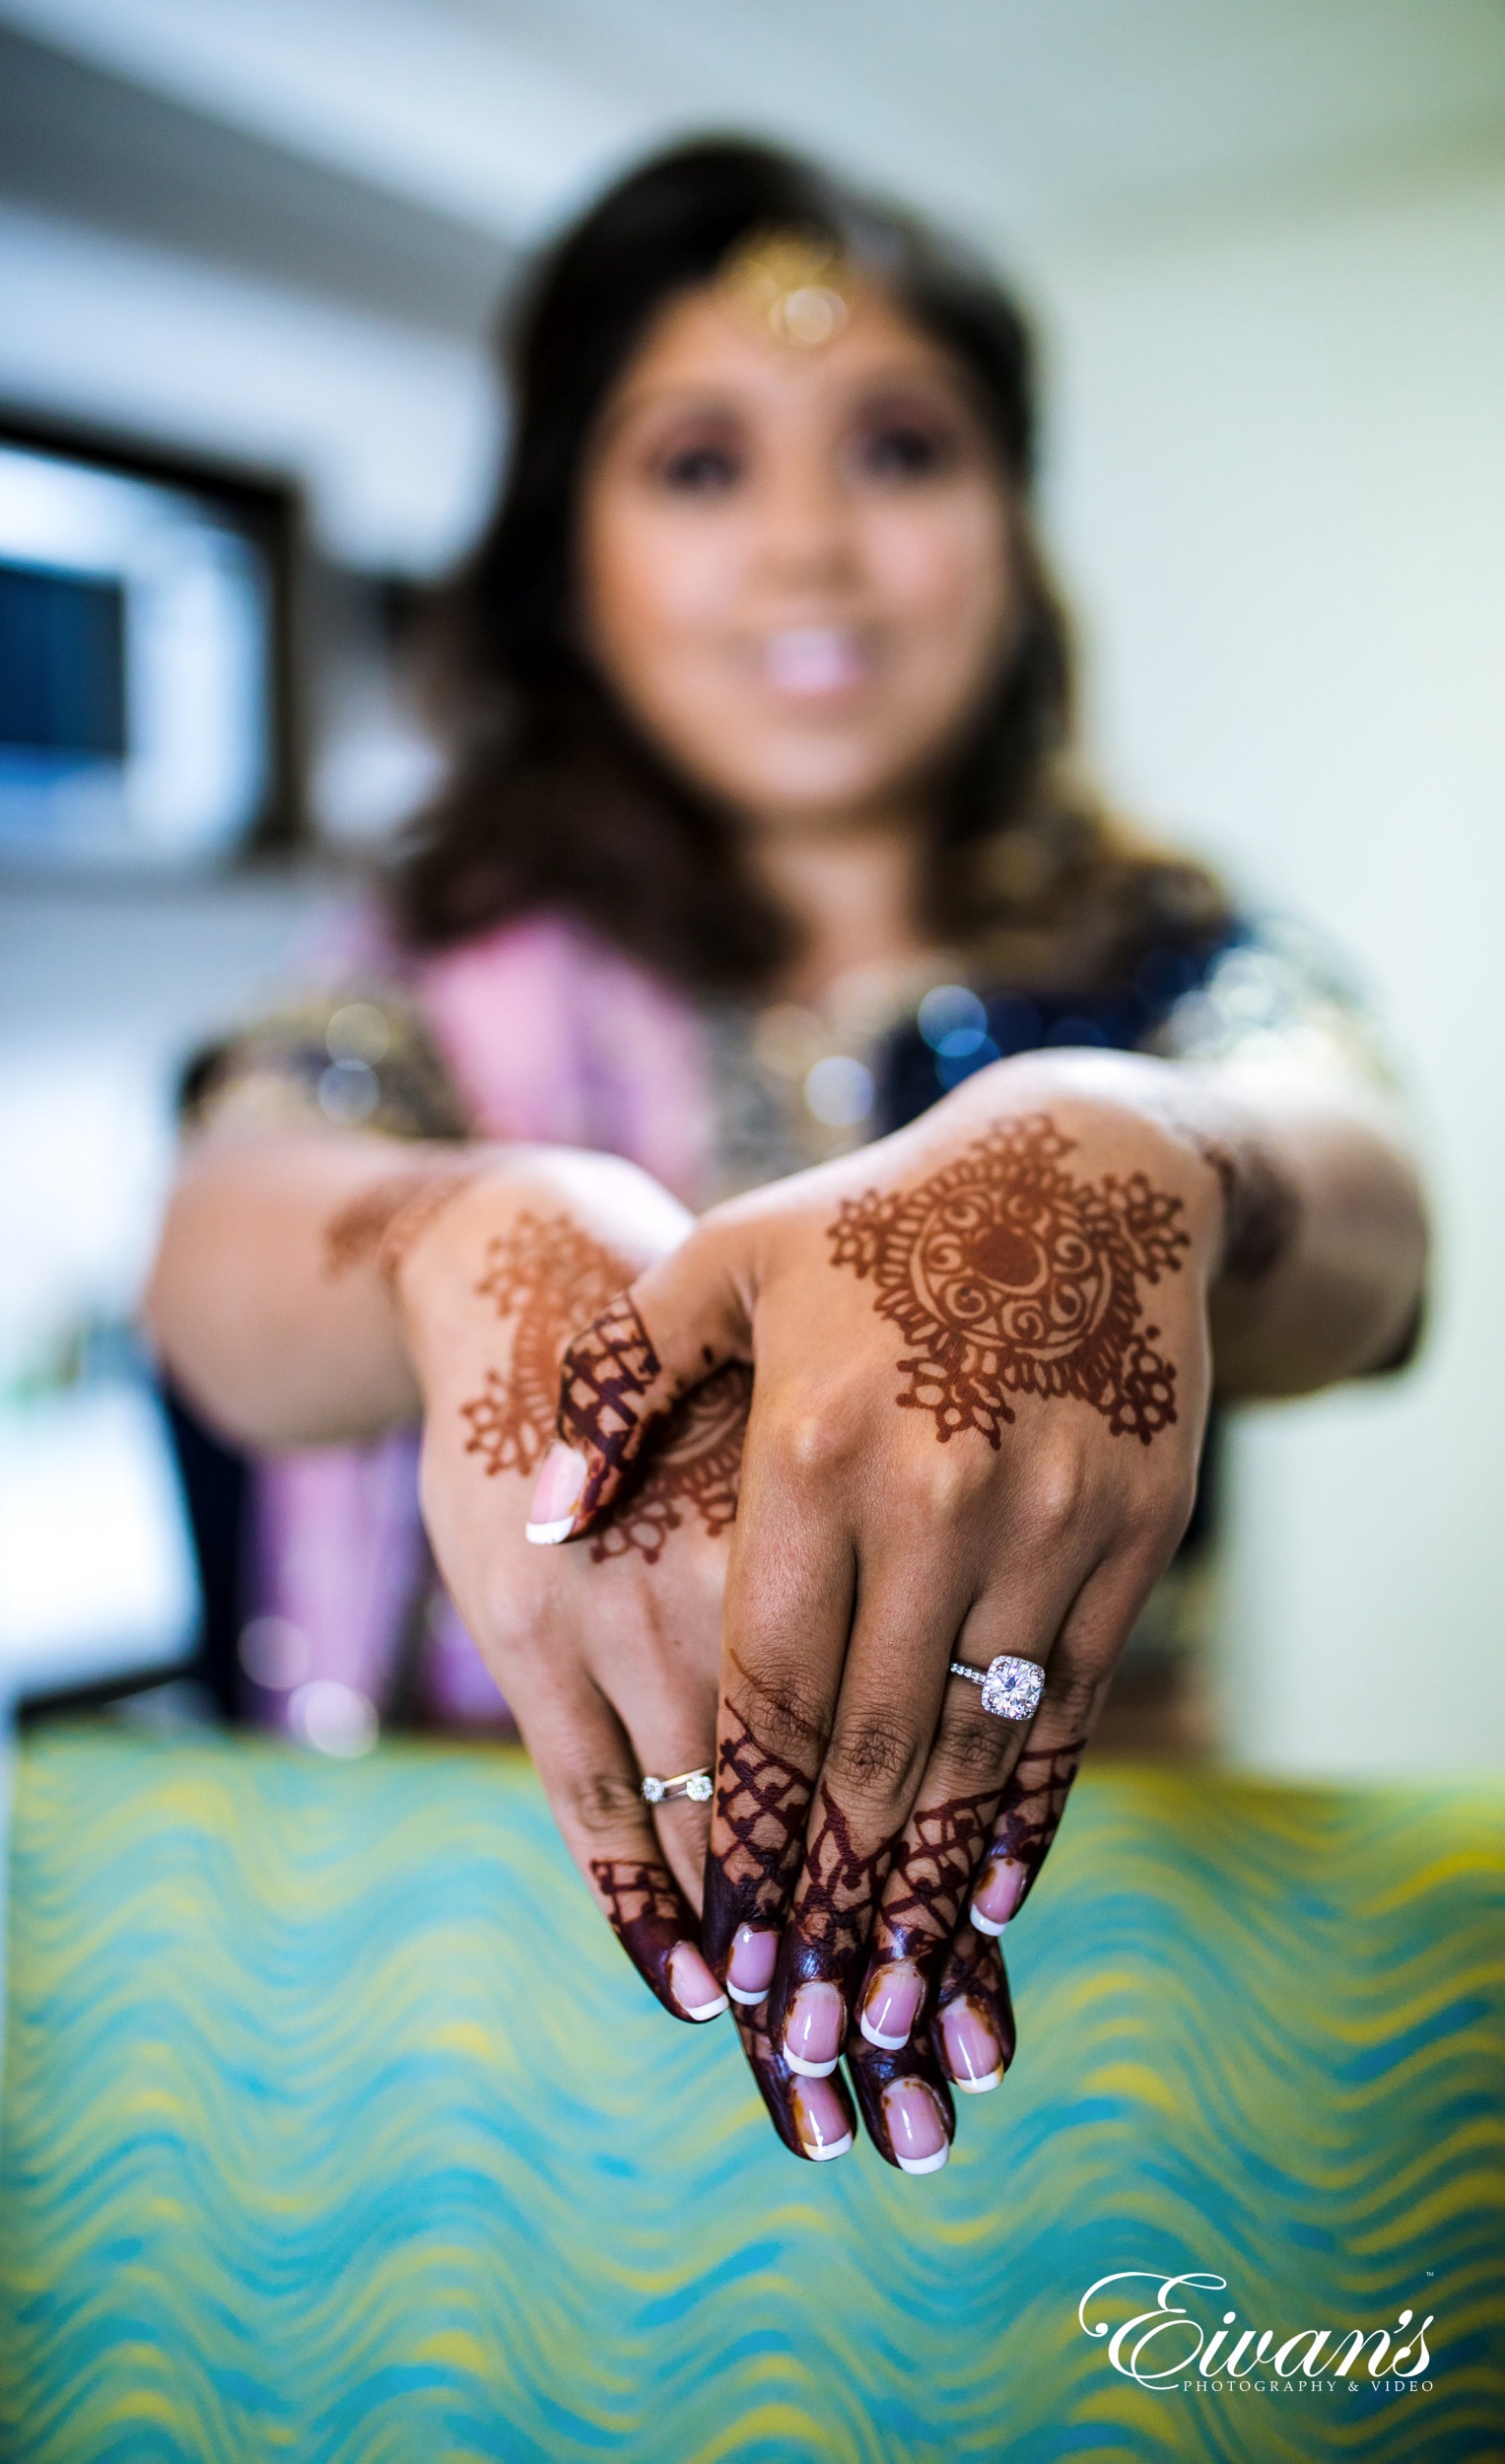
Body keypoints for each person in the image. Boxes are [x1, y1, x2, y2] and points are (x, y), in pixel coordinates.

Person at [146, 140, 1428, 2175]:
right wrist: (475, 1239)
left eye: (901, 449)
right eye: (700, 465)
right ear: (568, 554)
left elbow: (1374, 1232)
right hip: (470, 2086)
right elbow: (219, 1256)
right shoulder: (426, 980)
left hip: (1091, 2034)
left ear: (1011, 525)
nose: (810, 545)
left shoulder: (1165, 959)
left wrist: (1140, 1153)